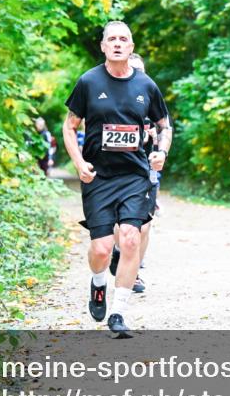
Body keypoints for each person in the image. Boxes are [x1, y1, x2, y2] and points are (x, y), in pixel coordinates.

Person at [62, 21, 172, 334]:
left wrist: (161, 151)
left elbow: (165, 125)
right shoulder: (88, 81)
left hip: (134, 175)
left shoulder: (146, 85)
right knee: (101, 249)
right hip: (99, 176)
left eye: (124, 39)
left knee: (131, 238)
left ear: (132, 46)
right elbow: (70, 126)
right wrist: (78, 162)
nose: (118, 43)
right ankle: (98, 283)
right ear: (103, 46)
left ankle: (119, 312)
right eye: (112, 39)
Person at [109, 52, 160, 294]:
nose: (137, 74)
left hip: (146, 170)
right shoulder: (113, 97)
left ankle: (135, 271)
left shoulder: (151, 95)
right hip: (118, 170)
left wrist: (156, 140)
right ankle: (120, 253)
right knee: (122, 223)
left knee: (146, 225)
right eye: (133, 69)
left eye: (141, 70)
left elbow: (166, 128)